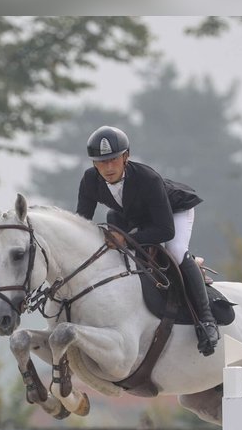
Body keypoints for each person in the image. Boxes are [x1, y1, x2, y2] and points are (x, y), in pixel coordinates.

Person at [76, 125, 219, 357]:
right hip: (133, 214)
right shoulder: (90, 180)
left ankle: (207, 321)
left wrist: (126, 238)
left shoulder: (147, 178)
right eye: (102, 162)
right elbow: (81, 223)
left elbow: (164, 230)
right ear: (94, 164)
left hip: (173, 212)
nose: (109, 167)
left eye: (114, 159)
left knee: (176, 250)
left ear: (126, 156)